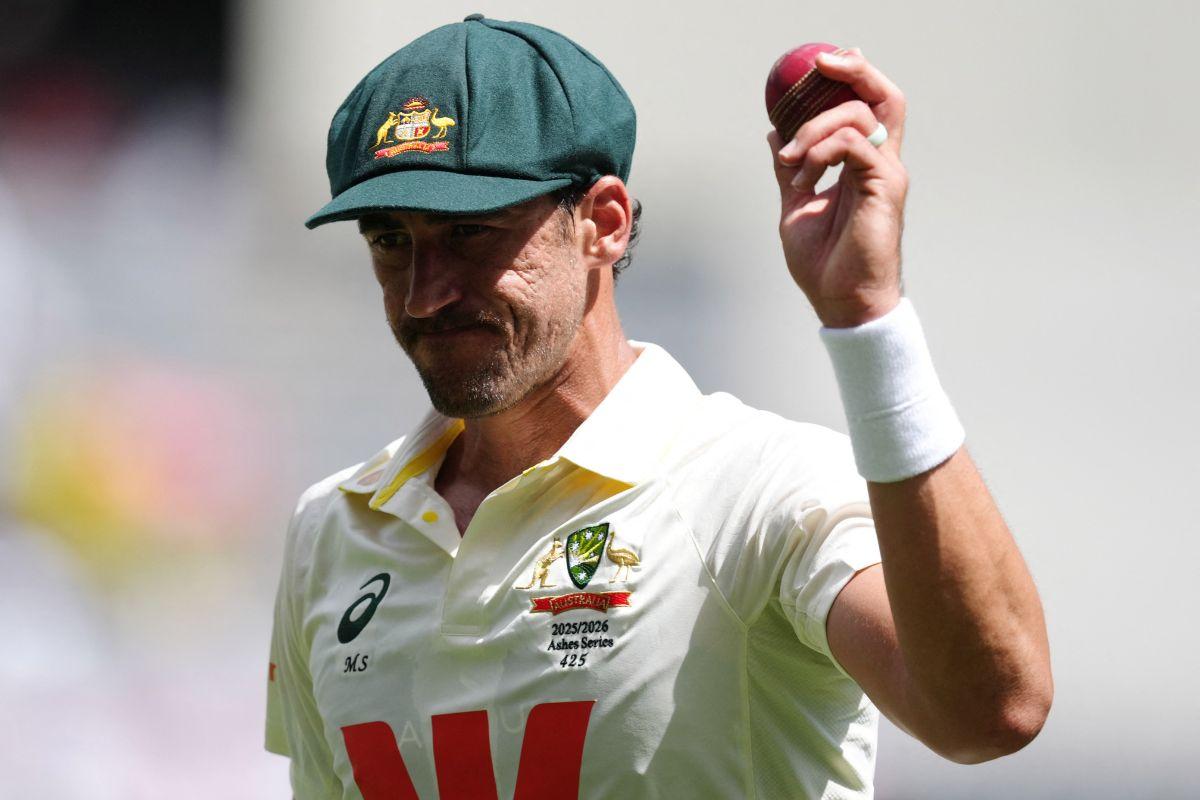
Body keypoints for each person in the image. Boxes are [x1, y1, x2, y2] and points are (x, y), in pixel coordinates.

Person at [265, 15, 1052, 799]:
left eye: (472, 232)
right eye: (390, 241)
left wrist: (869, 318)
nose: (425, 292)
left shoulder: (760, 489)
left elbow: (991, 712)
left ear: (603, 225)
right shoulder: (331, 530)